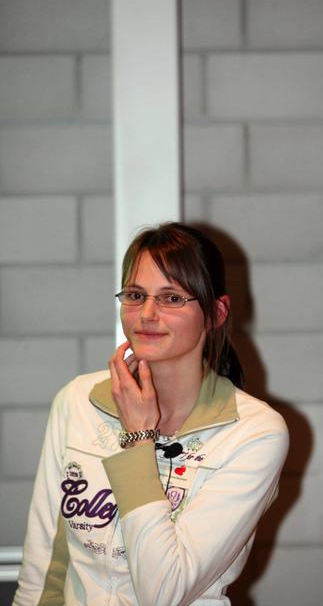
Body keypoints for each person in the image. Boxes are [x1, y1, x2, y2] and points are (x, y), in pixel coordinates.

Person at [13, 222, 288, 606]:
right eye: (135, 295)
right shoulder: (76, 401)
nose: (146, 313)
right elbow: (44, 568)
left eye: (171, 298)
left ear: (216, 313)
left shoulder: (254, 433)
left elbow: (164, 592)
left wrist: (139, 438)